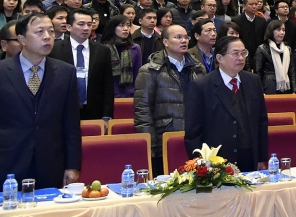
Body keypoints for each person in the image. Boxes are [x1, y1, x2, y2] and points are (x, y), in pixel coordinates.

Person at [0, 14, 81, 195]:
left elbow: (71, 125)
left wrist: (72, 166)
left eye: (50, 31)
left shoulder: (66, 72)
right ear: (21, 39)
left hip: (49, 166)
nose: (47, 36)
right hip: (3, 167)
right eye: (39, 32)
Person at [183, 36, 269, 173]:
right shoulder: (201, 86)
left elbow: (261, 122)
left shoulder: (253, 81)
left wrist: (261, 158)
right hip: (216, 163)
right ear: (219, 58)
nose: (241, 58)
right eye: (235, 53)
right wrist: (201, 165)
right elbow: (193, 132)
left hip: (249, 158)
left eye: (243, 53)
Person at [134, 25, 207, 175]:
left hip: (195, 139)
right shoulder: (150, 70)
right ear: (165, 42)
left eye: (186, 37)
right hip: (164, 138)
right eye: (178, 37)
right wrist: (151, 144)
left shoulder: (198, 68)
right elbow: (143, 110)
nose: (183, 41)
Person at [51, 8, 115, 121]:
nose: (86, 28)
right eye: (81, 24)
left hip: (94, 110)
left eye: (89, 24)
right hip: (62, 109)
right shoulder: (54, 49)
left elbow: (107, 85)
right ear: (69, 27)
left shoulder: (102, 50)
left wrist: (107, 115)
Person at [100, 15, 143, 99]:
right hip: (106, 94)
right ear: (113, 28)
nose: (126, 29)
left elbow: (137, 75)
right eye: (121, 25)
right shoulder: (102, 48)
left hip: (128, 94)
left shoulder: (135, 48)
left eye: (128, 25)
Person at [254, 19, 296, 93]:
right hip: (269, 87)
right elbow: (258, 72)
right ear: (271, 31)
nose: (282, 32)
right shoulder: (262, 49)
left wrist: (294, 90)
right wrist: (261, 91)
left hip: (286, 88)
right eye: (278, 30)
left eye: (283, 30)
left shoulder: (288, 49)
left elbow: (292, 71)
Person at [233, 0, 267, 71]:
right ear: (244, 6)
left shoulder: (262, 21)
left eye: (256, 4)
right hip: (243, 54)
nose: (254, 6)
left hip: (258, 54)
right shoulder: (237, 21)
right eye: (251, 4)